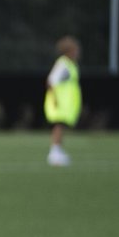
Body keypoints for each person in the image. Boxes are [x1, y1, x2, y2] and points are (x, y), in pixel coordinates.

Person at [44, 36, 82, 167]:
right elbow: (51, 81)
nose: (78, 52)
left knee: (61, 126)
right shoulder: (64, 65)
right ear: (69, 51)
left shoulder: (70, 64)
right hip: (59, 102)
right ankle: (54, 153)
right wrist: (55, 99)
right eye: (75, 49)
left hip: (65, 103)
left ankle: (58, 151)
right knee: (58, 126)